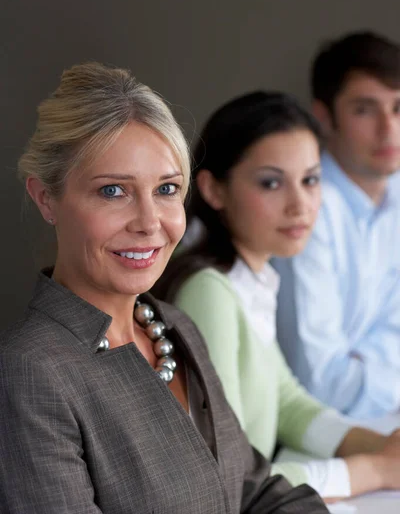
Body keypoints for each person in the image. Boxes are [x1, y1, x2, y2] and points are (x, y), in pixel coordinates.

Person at [0, 64, 328, 513]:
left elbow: (253, 489)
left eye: (167, 189)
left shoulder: (174, 326)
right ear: (46, 198)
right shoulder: (30, 372)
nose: (150, 223)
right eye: (113, 191)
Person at [154, 91, 400, 500]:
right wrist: (372, 469)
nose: (300, 205)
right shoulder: (209, 292)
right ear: (214, 190)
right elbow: (228, 476)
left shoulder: (252, 278)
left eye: (311, 179)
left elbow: (288, 403)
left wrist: (383, 447)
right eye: (271, 183)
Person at [272, 31, 400, 419]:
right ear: (324, 116)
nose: (388, 128)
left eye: (398, 108)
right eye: (365, 109)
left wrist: (367, 365)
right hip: (315, 439)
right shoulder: (303, 209)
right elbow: (322, 385)